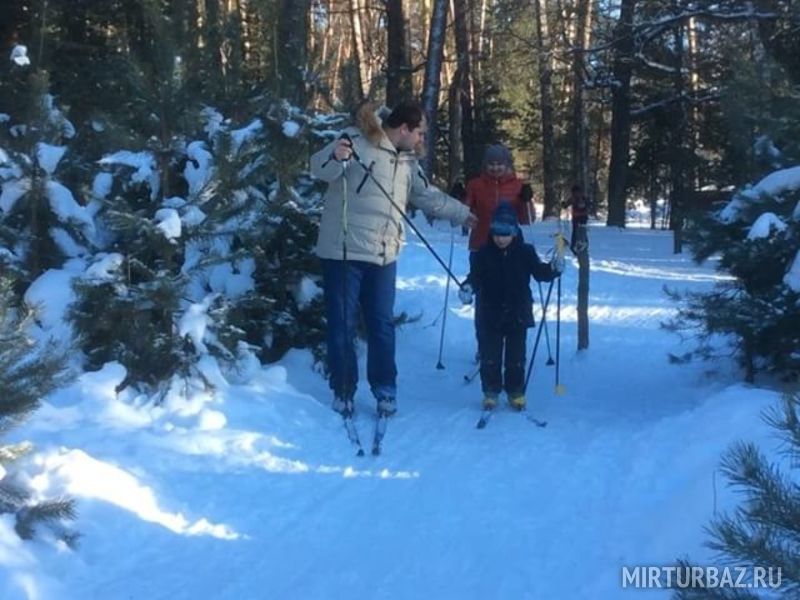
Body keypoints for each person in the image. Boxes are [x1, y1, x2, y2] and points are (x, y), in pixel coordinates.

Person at [310, 101, 477, 418]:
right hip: (344, 252)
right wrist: (335, 156)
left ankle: (385, 389)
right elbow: (319, 168)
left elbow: (425, 195)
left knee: (382, 326)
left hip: (384, 255)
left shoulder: (408, 162)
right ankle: (343, 390)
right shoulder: (354, 140)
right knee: (343, 325)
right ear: (404, 129)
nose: (421, 139)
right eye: (420, 133)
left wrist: (461, 213)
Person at [458, 202, 561, 411]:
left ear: (514, 232)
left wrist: (553, 269)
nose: (500, 238)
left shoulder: (525, 252)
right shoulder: (483, 253)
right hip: (490, 313)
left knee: (516, 358)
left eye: (505, 234)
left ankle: (515, 392)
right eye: (497, 233)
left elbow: (540, 272)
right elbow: (475, 277)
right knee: (490, 356)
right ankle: (491, 392)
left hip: (518, 313)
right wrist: (467, 287)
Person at [462, 143, 535, 360]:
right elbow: (464, 213)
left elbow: (527, 219)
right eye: (491, 164)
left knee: (512, 295)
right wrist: (459, 198)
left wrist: (527, 200)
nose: (495, 168)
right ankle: (485, 346)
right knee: (484, 299)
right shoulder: (476, 184)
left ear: (507, 164)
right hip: (482, 246)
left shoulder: (518, 186)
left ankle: (513, 345)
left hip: (511, 248)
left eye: (499, 164)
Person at [562, 184, 591, 254]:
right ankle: (583, 244)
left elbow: (565, 205)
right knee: (582, 231)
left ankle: (575, 246)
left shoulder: (574, 198)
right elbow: (589, 205)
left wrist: (563, 204)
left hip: (577, 217)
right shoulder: (584, 197)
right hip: (583, 217)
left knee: (576, 232)